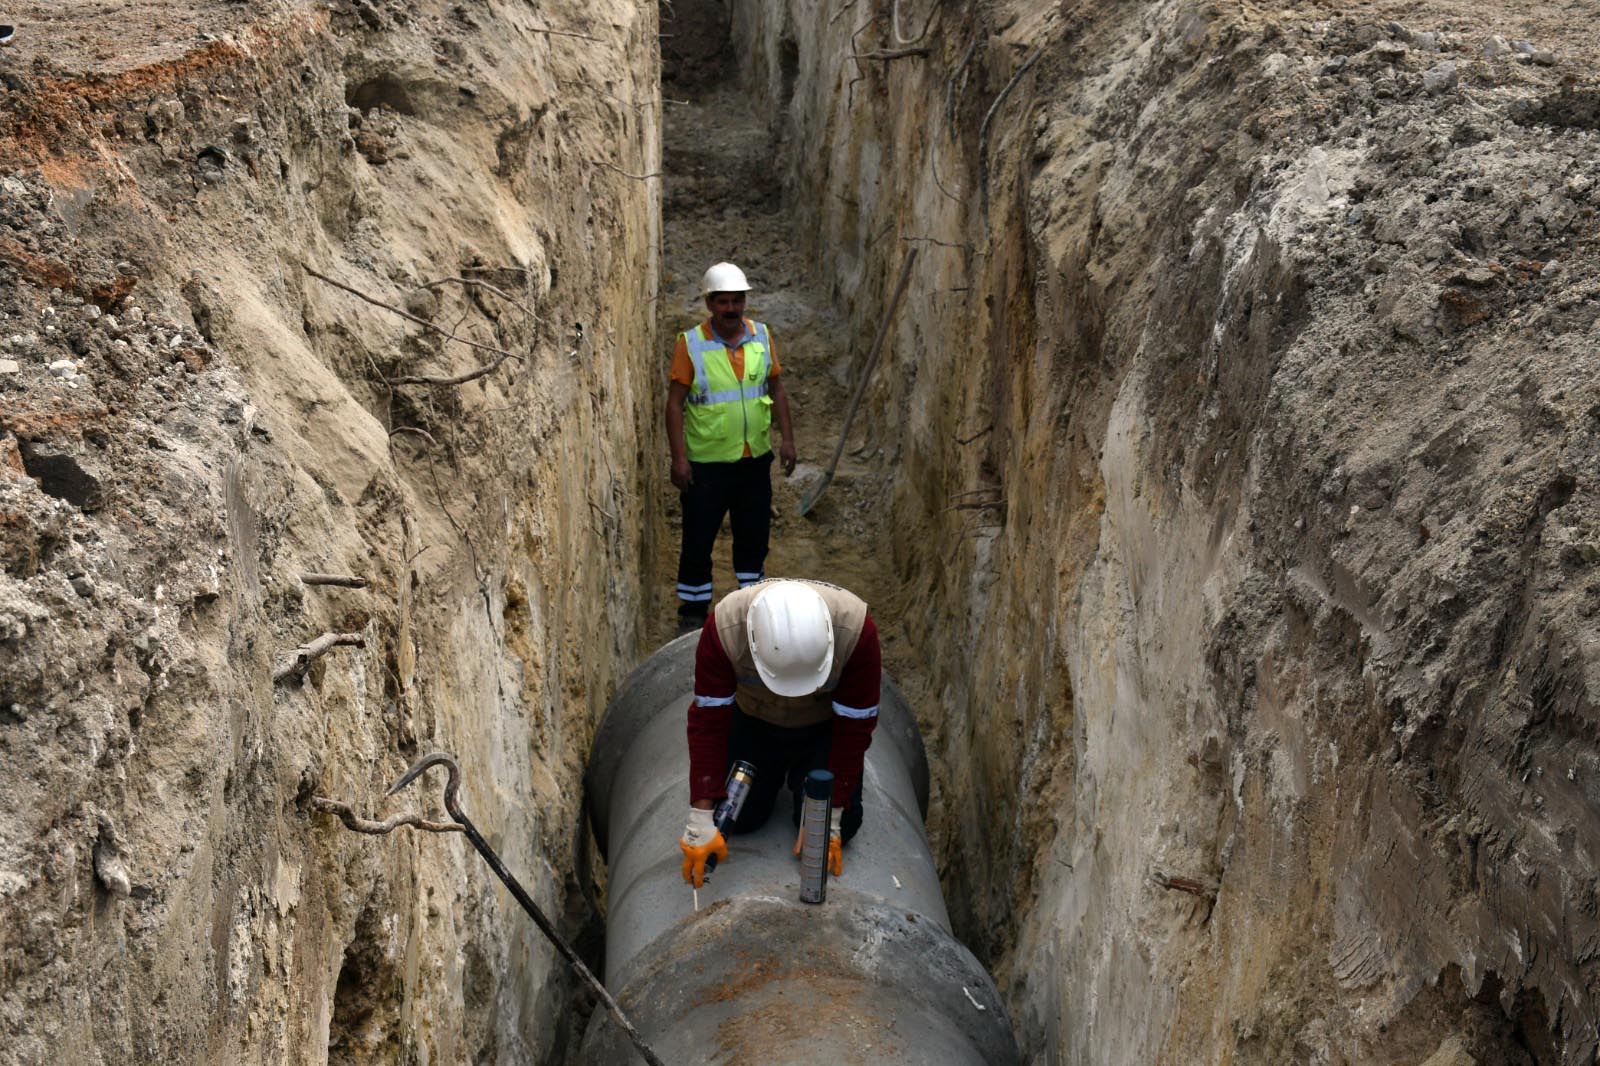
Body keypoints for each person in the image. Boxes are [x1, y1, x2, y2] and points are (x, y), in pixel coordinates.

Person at [678, 579, 880, 888]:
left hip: (821, 729)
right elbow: (708, 722)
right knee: (735, 819)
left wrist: (834, 815)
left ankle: (807, 782)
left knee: (831, 826)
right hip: (754, 721)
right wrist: (700, 817)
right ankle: (772, 778)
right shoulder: (725, 628)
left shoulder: (855, 632)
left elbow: (854, 728)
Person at [666, 262, 796, 633]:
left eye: (737, 301)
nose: (731, 309)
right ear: (709, 304)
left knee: (753, 534)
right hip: (706, 465)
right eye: (722, 302)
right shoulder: (690, 345)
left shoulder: (761, 336)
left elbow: (777, 390)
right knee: (698, 536)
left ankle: (750, 602)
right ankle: (693, 611)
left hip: (754, 459)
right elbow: (674, 403)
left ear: (744, 302)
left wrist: (787, 439)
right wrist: (679, 459)